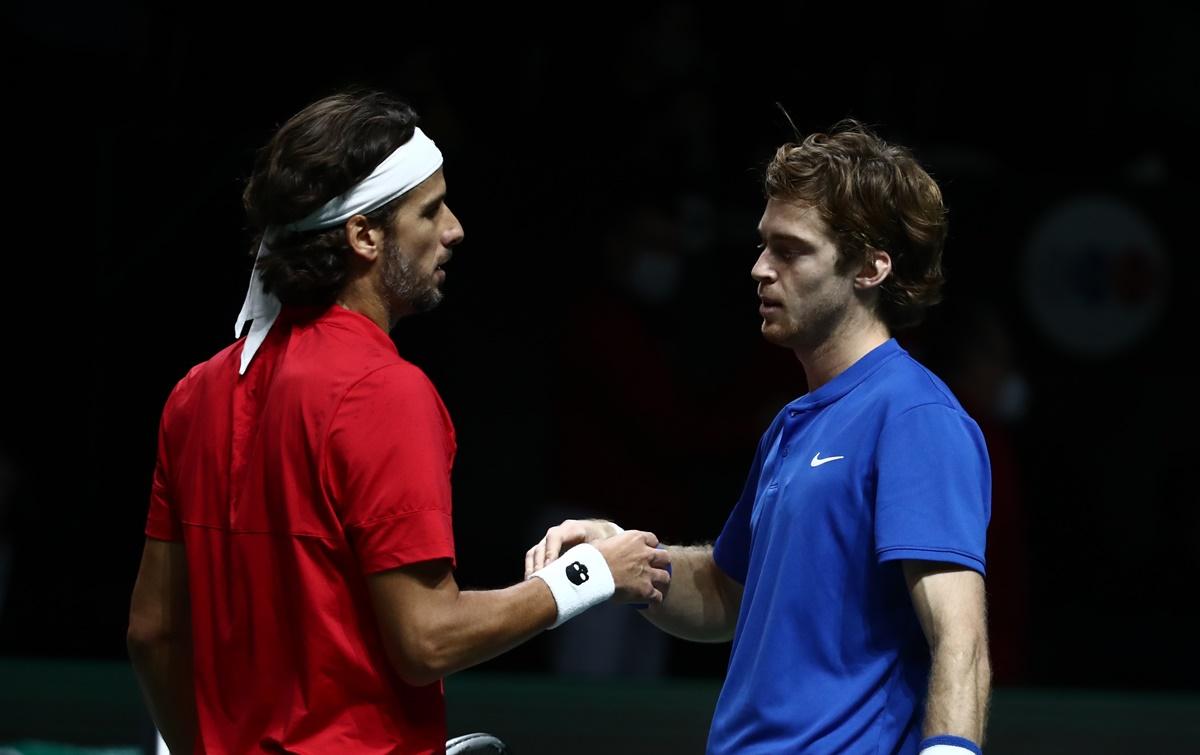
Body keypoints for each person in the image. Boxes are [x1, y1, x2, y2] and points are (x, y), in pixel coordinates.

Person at [126, 90, 670, 755]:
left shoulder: (195, 393)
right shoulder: (385, 392)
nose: (454, 229)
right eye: (430, 209)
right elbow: (427, 639)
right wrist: (589, 576)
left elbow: (152, 631)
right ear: (363, 235)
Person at [528, 121, 992, 754]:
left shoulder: (915, 417)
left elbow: (959, 638)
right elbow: (726, 592)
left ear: (871, 267)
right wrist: (627, 555)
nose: (759, 269)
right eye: (762, 245)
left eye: (791, 250)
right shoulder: (793, 422)